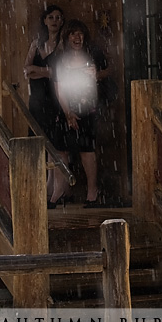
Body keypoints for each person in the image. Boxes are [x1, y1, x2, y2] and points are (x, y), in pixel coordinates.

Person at [54, 19, 109, 207]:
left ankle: (92, 192)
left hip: (88, 109)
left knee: (87, 151)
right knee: (61, 151)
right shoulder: (61, 59)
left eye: (80, 34)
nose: (77, 38)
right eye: (73, 34)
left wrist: (97, 75)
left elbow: (108, 71)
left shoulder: (92, 55)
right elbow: (59, 88)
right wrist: (68, 112)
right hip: (65, 110)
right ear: (67, 37)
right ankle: (60, 192)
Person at [23, 5, 69, 207]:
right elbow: (26, 70)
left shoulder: (63, 45)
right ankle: (45, 188)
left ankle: (58, 191)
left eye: (58, 17)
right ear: (44, 20)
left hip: (56, 97)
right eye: (51, 17)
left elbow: (59, 73)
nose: (55, 20)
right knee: (39, 142)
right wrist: (45, 71)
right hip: (37, 99)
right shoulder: (36, 43)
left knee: (56, 144)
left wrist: (38, 70)